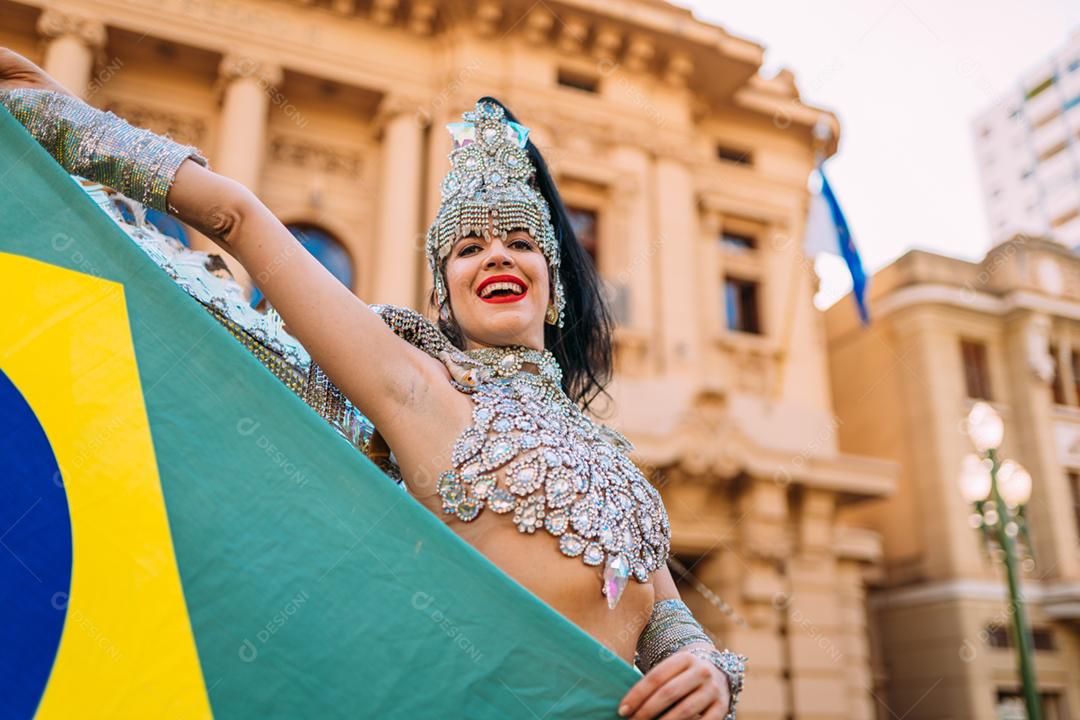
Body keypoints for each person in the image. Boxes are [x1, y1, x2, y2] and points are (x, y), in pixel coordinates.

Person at [0, 47, 744, 719]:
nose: (496, 257)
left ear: (553, 285)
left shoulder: (612, 458)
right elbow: (235, 216)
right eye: (467, 247)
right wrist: (60, 119)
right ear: (443, 293)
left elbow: (660, 615)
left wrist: (706, 668)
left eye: (520, 242)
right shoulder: (414, 385)